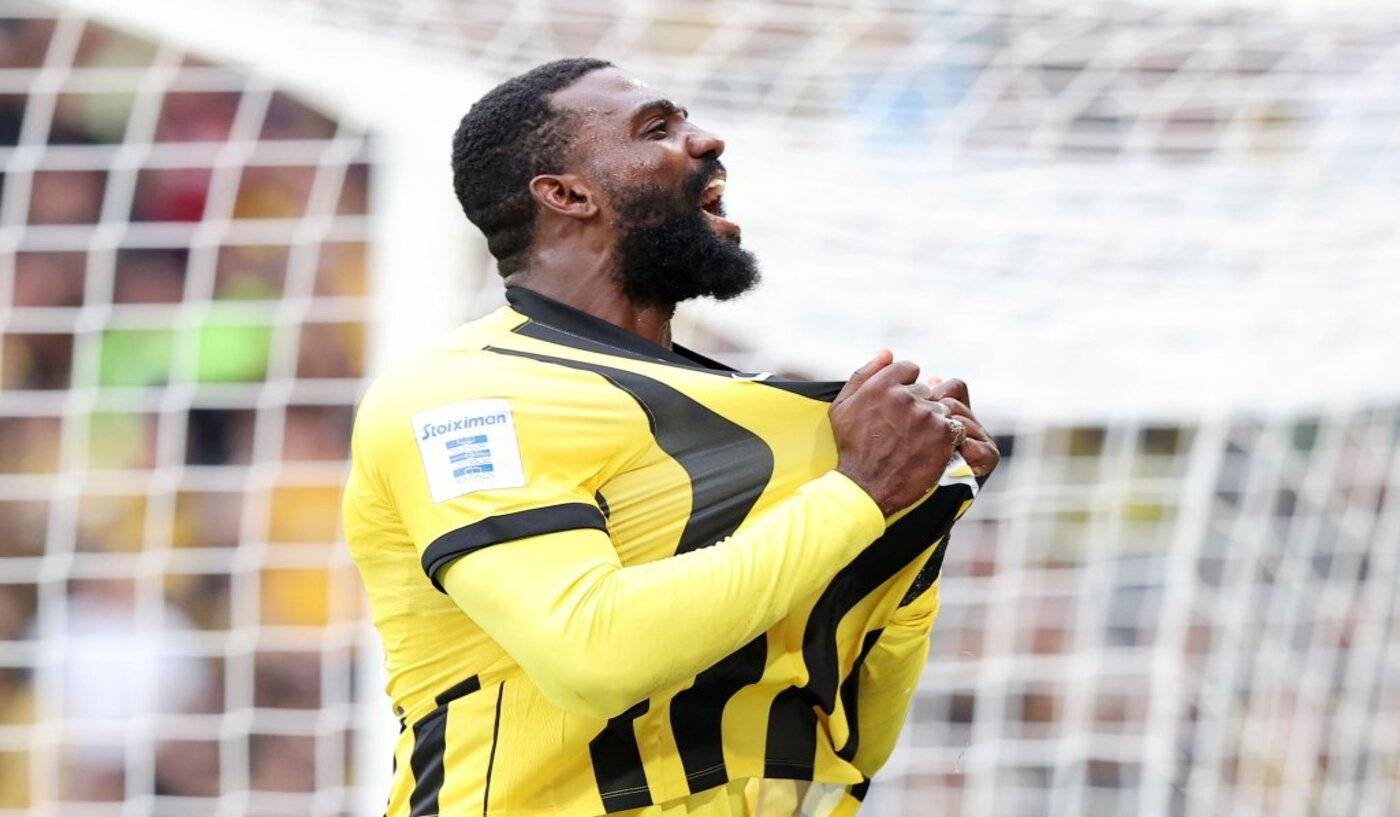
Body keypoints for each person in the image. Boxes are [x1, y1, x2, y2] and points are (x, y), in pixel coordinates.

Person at [342, 58, 999, 817]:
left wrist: (916, 515)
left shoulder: (778, 427)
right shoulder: (465, 394)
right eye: (657, 128)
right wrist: (860, 495)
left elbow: (853, 742)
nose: (707, 140)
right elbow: (593, 654)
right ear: (566, 194)